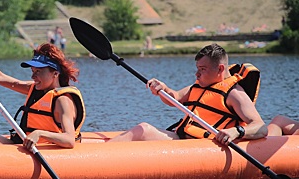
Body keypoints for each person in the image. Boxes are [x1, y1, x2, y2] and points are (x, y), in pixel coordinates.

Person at [109, 43, 268, 144]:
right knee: (141, 131)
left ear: (220, 69)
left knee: (143, 129)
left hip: (205, 147)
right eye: (197, 69)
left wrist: (236, 132)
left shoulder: (235, 94)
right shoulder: (199, 86)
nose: (197, 74)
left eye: (202, 69)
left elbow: (261, 127)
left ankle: (96, 159)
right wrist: (163, 89)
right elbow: (175, 98)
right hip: (182, 138)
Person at [0, 43, 85, 149]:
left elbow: (69, 140)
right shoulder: (34, 88)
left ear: (55, 73)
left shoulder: (63, 100)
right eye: (32, 71)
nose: (33, 76)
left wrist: (39, 133)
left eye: (38, 71)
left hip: (44, 151)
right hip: (22, 145)